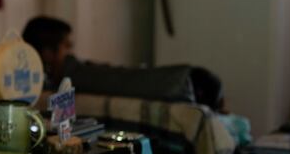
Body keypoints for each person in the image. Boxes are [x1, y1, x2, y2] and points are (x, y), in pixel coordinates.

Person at [21, 16, 225, 111]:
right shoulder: (71, 78)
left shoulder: (73, 75)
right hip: (184, 83)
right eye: (67, 46)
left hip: (184, 81)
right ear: (48, 53)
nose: (71, 52)